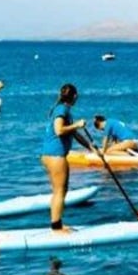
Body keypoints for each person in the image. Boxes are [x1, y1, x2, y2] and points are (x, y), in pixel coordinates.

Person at [40, 84, 88, 232]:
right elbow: (59, 130)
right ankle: (56, 228)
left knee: (59, 191)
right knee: (60, 191)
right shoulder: (62, 110)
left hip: (49, 155)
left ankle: (57, 224)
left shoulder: (62, 109)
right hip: (56, 156)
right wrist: (77, 124)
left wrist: (91, 147)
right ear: (75, 96)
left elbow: (74, 134)